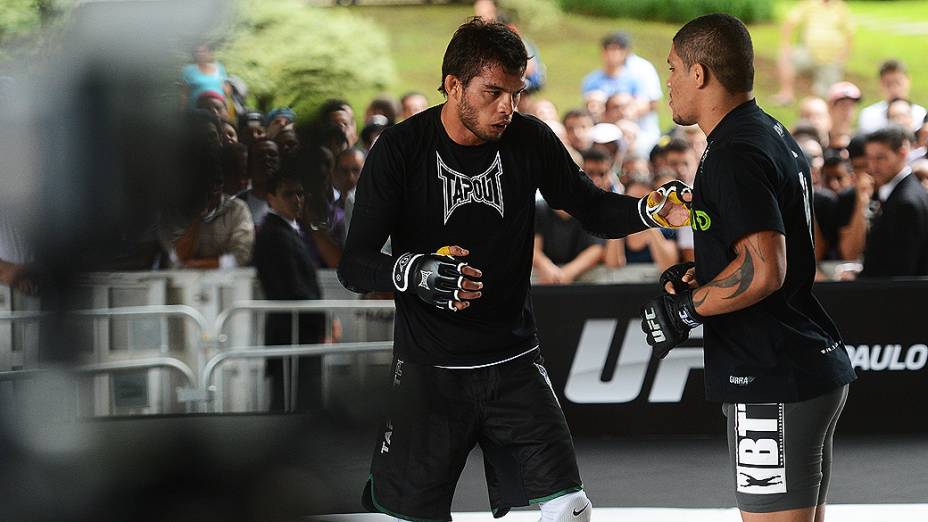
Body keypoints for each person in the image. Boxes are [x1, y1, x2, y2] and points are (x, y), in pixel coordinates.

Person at [337, 17, 691, 522]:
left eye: (517, 92)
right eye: (493, 91)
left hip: (513, 361)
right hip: (428, 371)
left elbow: (589, 206)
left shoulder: (528, 139)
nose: (507, 106)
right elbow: (355, 264)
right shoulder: (400, 149)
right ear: (453, 84)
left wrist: (648, 211)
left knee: (570, 510)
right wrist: (416, 271)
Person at [641, 14, 856, 522]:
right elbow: (753, 237)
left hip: (769, 374)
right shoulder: (766, 131)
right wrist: (702, 252)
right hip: (796, 364)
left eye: (671, 68)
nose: (666, 82)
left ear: (699, 74)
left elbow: (763, 271)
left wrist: (688, 310)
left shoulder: (732, 153)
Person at [253, 172, 326, 411]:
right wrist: (320, 319)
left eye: (300, 193)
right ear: (271, 198)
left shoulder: (287, 231)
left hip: (299, 332)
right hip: (292, 332)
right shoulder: (274, 234)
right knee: (292, 406)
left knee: (298, 403)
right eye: (288, 194)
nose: (296, 199)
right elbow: (291, 288)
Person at [858, 126, 928, 277]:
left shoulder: (906, 203)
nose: (873, 166)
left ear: (902, 153)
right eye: (870, 158)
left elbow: (901, 272)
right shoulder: (906, 194)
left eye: (880, 158)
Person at [582, 31, 663, 156]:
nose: (612, 54)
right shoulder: (592, 80)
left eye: (617, 50)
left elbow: (651, 103)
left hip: (637, 131)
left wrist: (620, 112)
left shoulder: (638, 74)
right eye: (609, 49)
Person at [773, 0, 853, 103]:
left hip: (831, 60)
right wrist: (786, 45)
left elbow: (850, 33)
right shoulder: (809, 4)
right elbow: (790, 22)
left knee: (826, 96)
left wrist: (843, 55)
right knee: (785, 57)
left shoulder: (840, 7)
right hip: (809, 54)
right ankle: (786, 94)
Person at [858, 60, 927, 134]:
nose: (894, 89)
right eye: (888, 84)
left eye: (898, 83)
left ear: (908, 80)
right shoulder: (869, 116)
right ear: (880, 84)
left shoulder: (922, 115)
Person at [180, 43, 229, 110]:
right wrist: (182, 109)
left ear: (210, 53)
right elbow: (184, 94)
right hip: (197, 110)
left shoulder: (220, 67)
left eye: (204, 51)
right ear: (194, 54)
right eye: (197, 51)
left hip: (220, 109)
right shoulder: (188, 70)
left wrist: (228, 89)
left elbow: (227, 90)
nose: (201, 54)